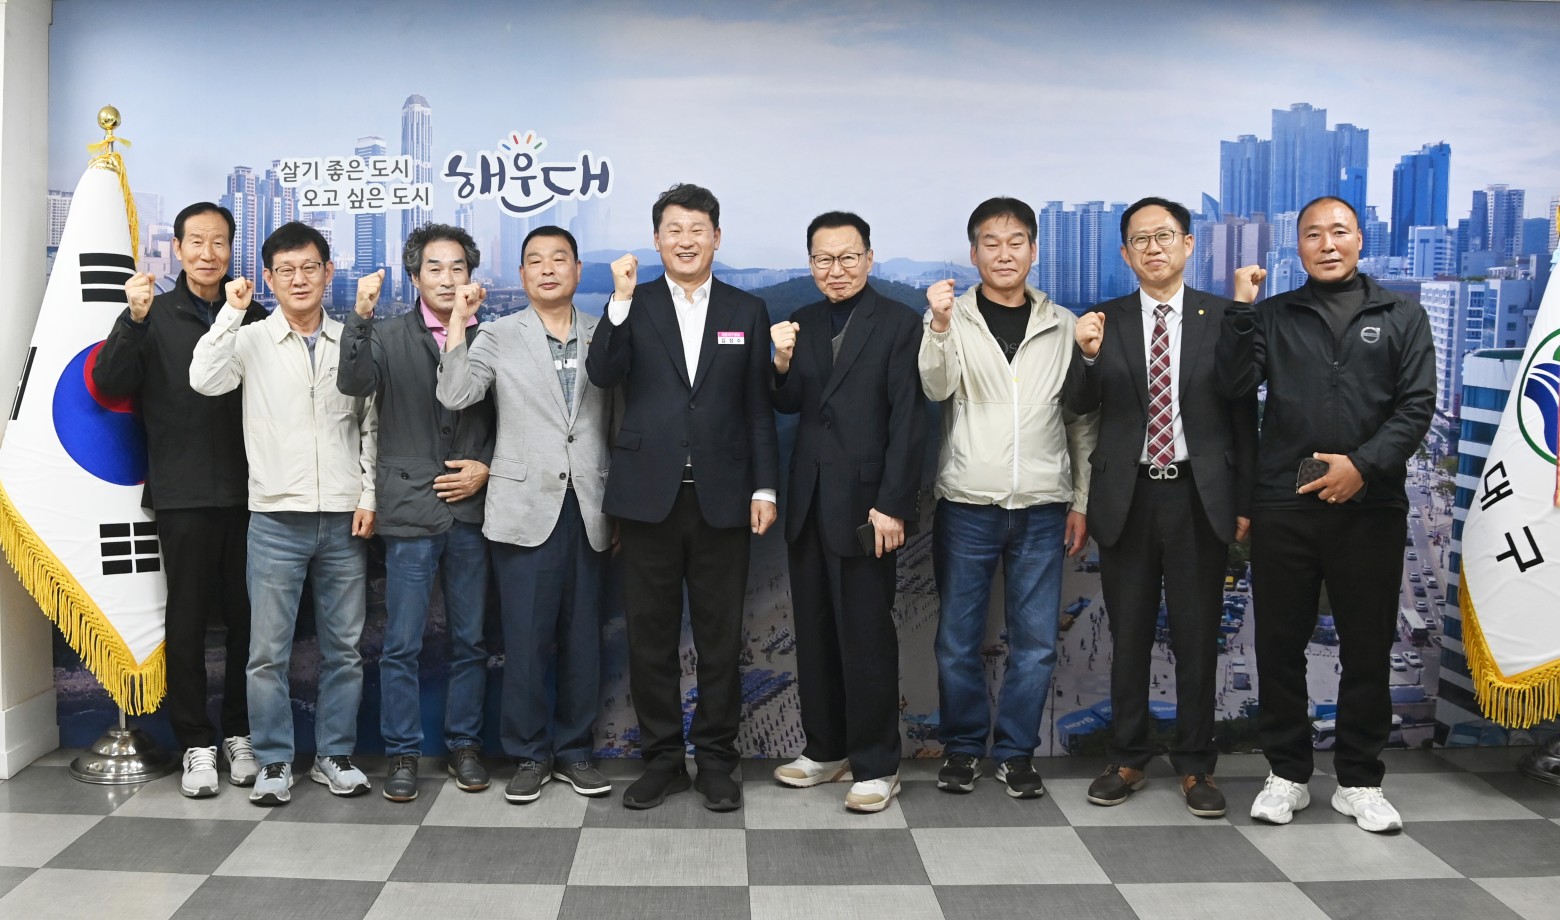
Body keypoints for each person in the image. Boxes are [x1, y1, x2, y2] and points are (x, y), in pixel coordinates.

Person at [1217, 196, 1435, 832]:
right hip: (1286, 502)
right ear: (1300, 247)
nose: (1328, 243)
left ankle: (1360, 780)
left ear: (1360, 240)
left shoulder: (1402, 315)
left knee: (1367, 647)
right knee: (1278, 644)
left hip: (1371, 502)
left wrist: (1361, 467)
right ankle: (1287, 773)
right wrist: (1240, 309)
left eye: (1339, 232)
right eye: (1313, 234)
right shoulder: (1273, 314)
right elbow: (1233, 387)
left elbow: (1416, 406)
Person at [585, 183, 779, 811]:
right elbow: (602, 372)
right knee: (650, 638)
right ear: (657, 239)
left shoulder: (747, 309)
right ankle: (663, 760)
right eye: (674, 229)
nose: (686, 240)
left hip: (724, 497)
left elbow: (758, 408)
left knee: (721, 639)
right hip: (648, 498)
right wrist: (617, 300)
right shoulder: (632, 304)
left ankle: (717, 762)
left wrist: (764, 486)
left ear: (716, 237)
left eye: (698, 229)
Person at [1064, 197, 1257, 818]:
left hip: (1199, 495)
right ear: (1125, 253)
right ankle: (1127, 757)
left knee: (1198, 636)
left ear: (1188, 244)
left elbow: (1242, 409)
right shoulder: (1104, 319)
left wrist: (1244, 500)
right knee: (1129, 634)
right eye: (1140, 239)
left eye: (1165, 235)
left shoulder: (1223, 315)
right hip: (1129, 495)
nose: (1154, 248)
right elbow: (1078, 405)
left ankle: (1197, 764)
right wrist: (1086, 355)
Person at [189, 221, 378, 807]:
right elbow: (203, 378)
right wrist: (231, 312)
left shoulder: (351, 339)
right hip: (274, 519)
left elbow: (371, 425)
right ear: (268, 279)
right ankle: (273, 760)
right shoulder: (250, 340)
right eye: (286, 271)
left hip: (344, 519)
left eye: (310, 268)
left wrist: (368, 495)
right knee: (266, 652)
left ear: (328, 272)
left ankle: (333, 755)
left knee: (344, 650)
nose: (299, 279)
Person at [918, 197, 1096, 799]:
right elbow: (935, 386)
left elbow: (1082, 423)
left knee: (1037, 644)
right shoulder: (952, 317)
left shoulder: (1064, 324)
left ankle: (1016, 753)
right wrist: (939, 326)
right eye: (990, 243)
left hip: (1044, 507)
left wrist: (1080, 500)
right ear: (973, 253)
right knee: (957, 641)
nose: (1004, 253)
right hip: (967, 503)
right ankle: (964, 748)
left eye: (1015, 241)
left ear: (1034, 250)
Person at [93, 202, 266, 797]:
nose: (208, 254)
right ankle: (195, 742)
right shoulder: (153, 314)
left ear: (232, 248)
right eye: (196, 241)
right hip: (182, 491)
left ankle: (240, 733)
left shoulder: (252, 313)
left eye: (219, 242)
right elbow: (110, 383)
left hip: (252, 492)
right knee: (187, 620)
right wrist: (133, 320)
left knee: (248, 619)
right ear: (177, 248)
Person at [438, 225, 614, 804]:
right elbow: (456, 395)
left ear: (578, 269)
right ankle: (529, 754)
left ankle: (575, 751)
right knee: (526, 639)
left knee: (583, 639)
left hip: (590, 506)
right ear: (521, 275)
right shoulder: (498, 333)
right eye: (535, 261)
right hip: (523, 504)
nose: (547, 269)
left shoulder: (606, 333)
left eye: (559, 259)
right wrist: (460, 320)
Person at [769, 211, 926, 813]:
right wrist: (781, 363)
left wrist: (893, 504)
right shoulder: (803, 322)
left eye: (847, 257)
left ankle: (878, 765)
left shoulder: (899, 322)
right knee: (813, 636)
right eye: (823, 260)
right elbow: (790, 403)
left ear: (869, 258)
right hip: (808, 503)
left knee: (866, 639)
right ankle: (826, 749)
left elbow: (908, 420)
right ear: (810, 263)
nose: (835, 270)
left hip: (867, 508)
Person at [338, 224, 495, 802]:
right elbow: (353, 382)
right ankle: (402, 752)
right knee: (401, 643)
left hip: (473, 510)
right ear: (414, 277)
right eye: (435, 268)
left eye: (458, 268)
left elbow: (512, 421)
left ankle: (465, 745)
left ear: (471, 276)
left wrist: (486, 466)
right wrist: (360, 317)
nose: (448, 279)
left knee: (471, 640)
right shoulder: (386, 335)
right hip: (408, 509)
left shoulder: (491, 337)